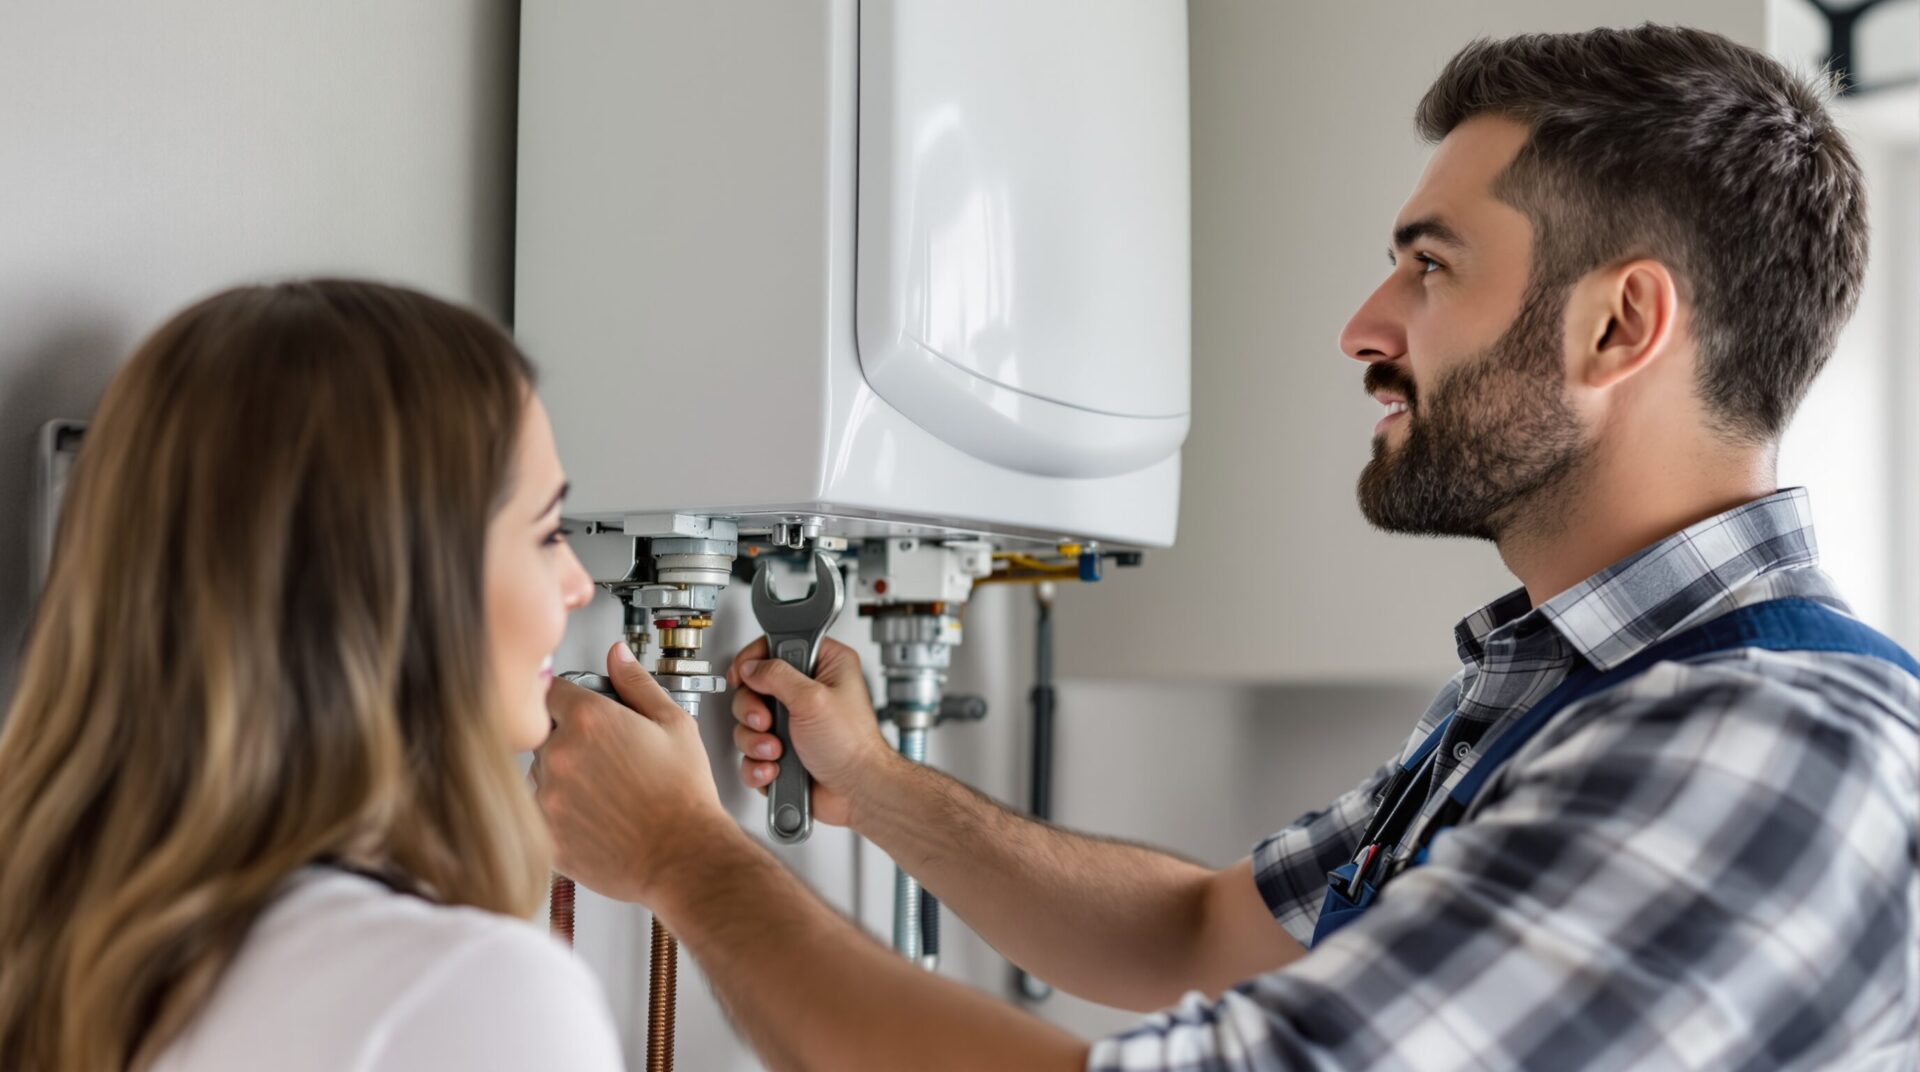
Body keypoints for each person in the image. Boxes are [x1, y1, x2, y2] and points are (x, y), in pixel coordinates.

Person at [532, 24, 1919, 1071]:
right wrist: (881, 789)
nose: (1365, 324)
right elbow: (1198, 932)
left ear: (1620, 327)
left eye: (1431, 265)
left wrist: (684, 863)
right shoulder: (1564, 689)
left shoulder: (1764, 740)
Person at [0, 280, 623, 1071]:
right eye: (547, 532)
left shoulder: (52, 957)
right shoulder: (468, 995)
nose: (580, 584)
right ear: (393, 586)